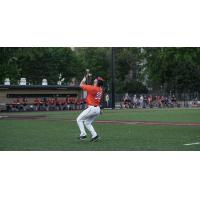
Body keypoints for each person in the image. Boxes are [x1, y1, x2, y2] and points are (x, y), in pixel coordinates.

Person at [76, 75, 104, 142]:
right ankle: (95, 135)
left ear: (97, 82)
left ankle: (83, 134)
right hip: (97, 109)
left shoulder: (93, 88)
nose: (95, 79)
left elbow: (81, 85)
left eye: (96, 79)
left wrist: (84, 78)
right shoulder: (100, 89)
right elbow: (90, 88)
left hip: (92, 108)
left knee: (79, 119)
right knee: (87, 123)